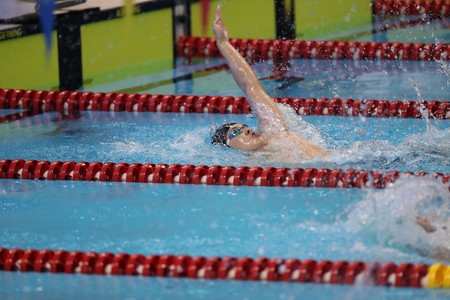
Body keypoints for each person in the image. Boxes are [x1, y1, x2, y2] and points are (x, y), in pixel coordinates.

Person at [211, 6, 330, 161]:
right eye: (235, 133)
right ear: (227, 148)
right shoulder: (254, 165)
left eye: (243, 127)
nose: (246, 130)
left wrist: (223, 43)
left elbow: (250, 85)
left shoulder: (272, 132)